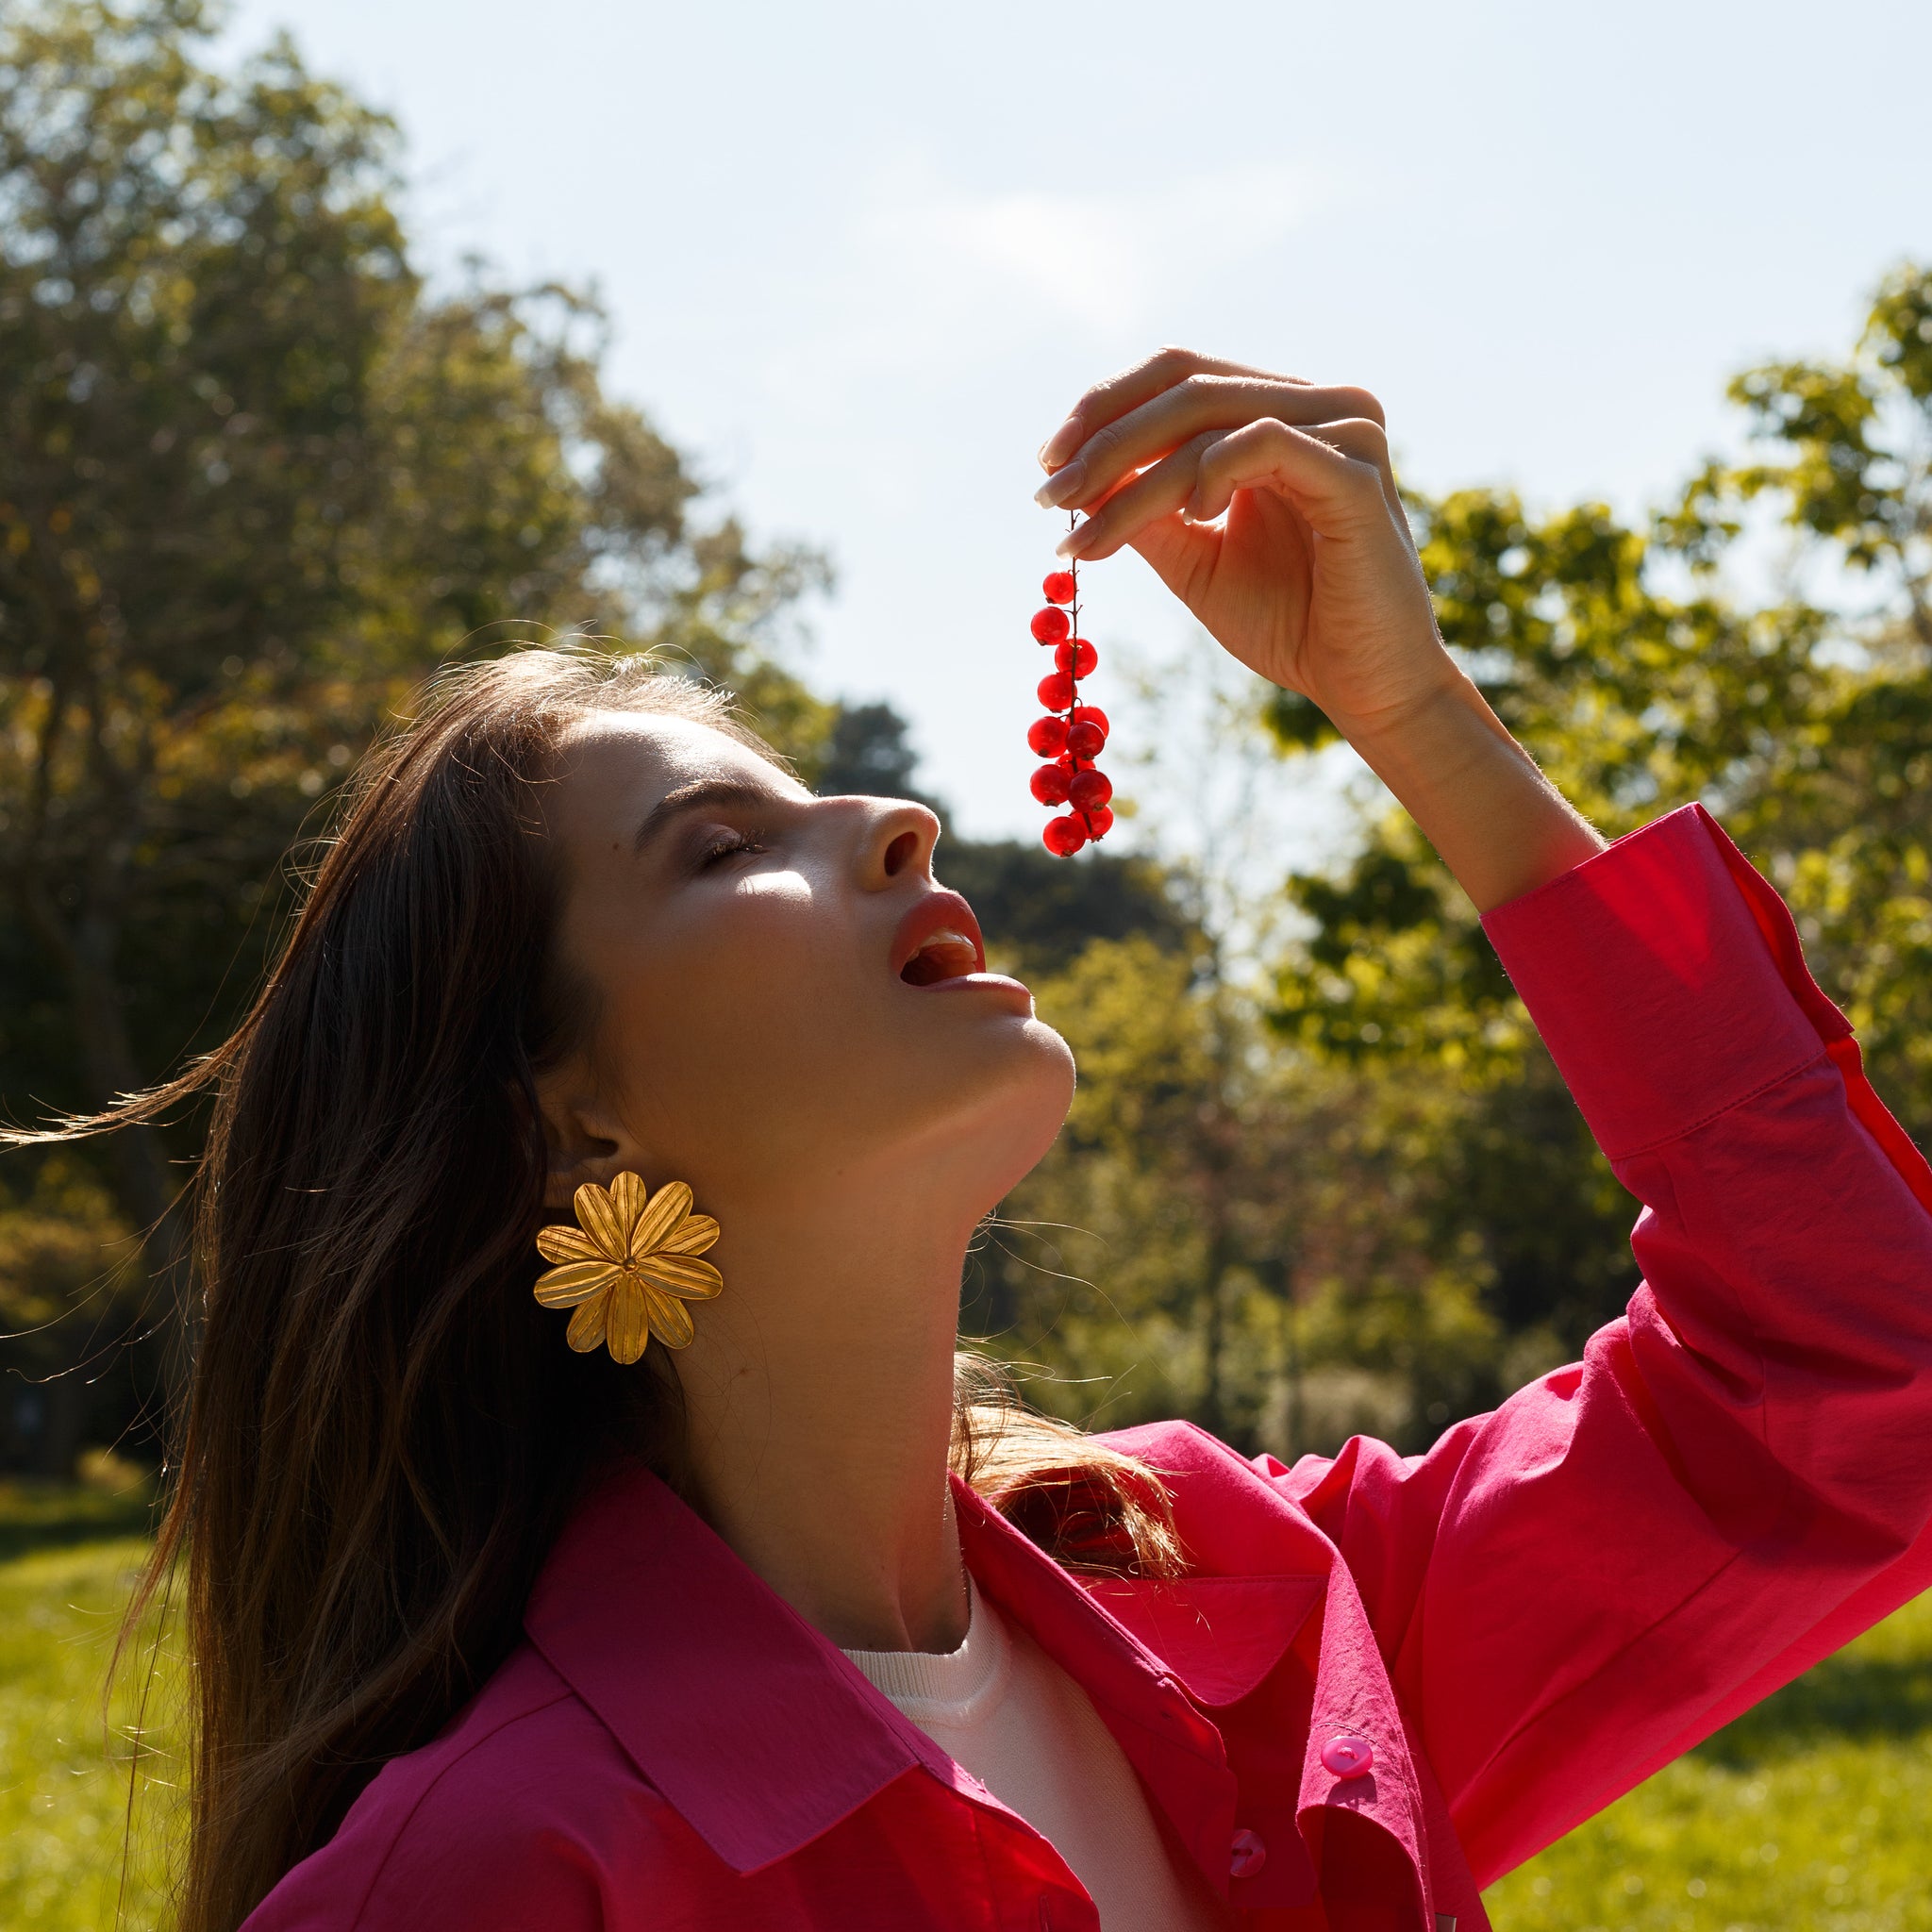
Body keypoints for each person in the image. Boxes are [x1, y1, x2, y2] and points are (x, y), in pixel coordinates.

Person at [40, 351, 1932, 1932]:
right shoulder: (504, 1874)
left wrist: (1412, 705)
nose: (894, 816)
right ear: (557, 1116)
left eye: (815, 790)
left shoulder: (1252, 1602)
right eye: (715, 847)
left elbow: (1856, 1373)